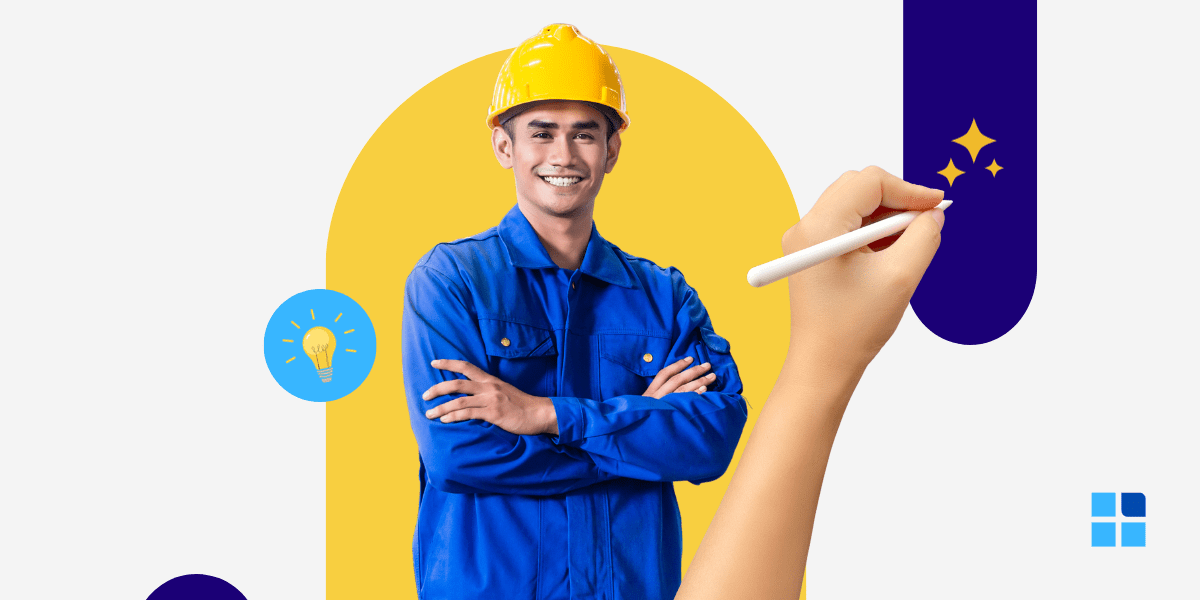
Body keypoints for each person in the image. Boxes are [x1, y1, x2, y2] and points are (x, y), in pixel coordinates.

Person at [401, 24, 747, 600]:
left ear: (611, 150)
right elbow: (457, 455)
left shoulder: (664, 296)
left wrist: (546, 415)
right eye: (542, 132)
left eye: (585, 134)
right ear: (504, 146)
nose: (563, 155)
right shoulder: (450, 282)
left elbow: (711, 439)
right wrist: (636, 431)